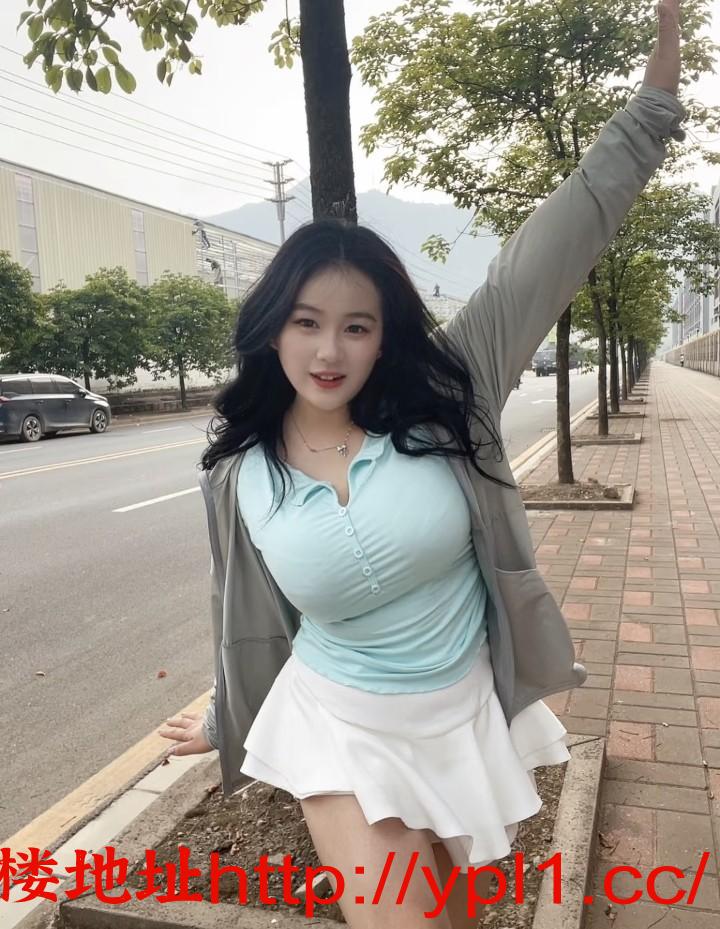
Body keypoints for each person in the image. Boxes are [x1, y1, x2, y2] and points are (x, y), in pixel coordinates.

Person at [159, 4, 684, 926]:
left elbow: (564, 234)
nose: (330, 350)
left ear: (384, 332)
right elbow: (249, 614)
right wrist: (223, 713)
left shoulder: (451, 384)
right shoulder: (239, 471)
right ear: (273, 327)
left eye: (356, 325)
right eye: (307, 322)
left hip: (461, 712)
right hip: (336, 726)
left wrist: (654, 99)